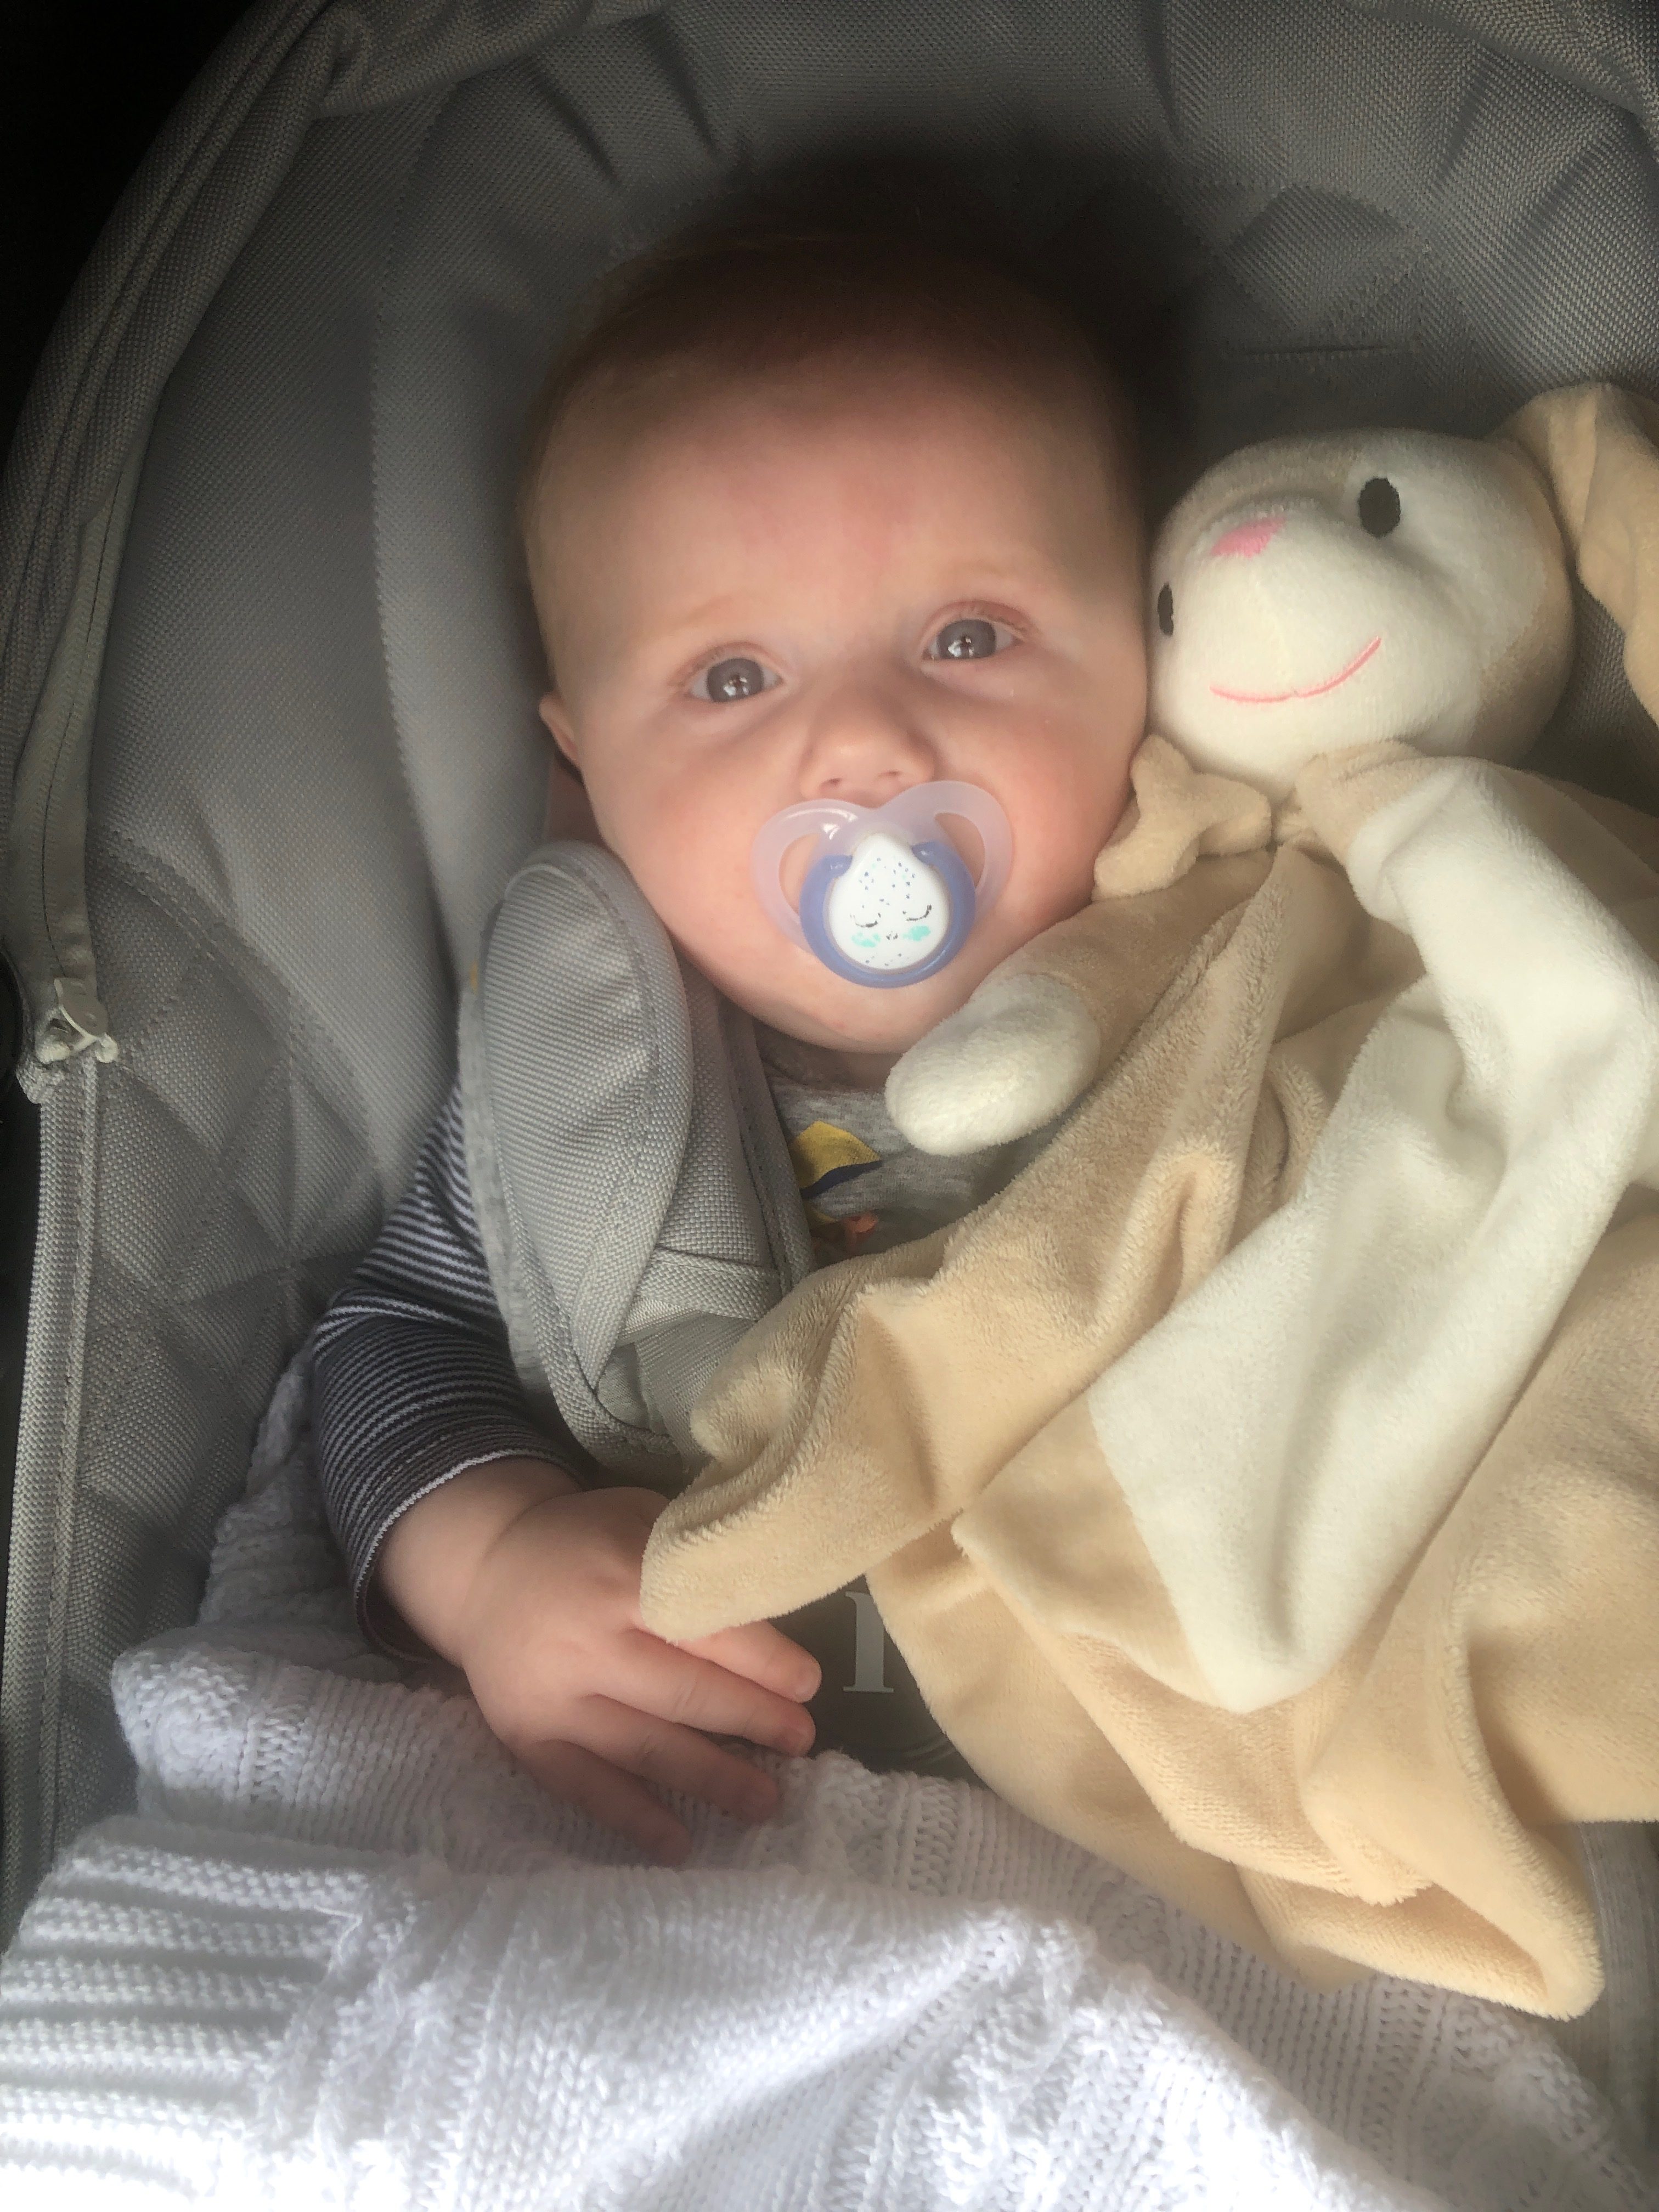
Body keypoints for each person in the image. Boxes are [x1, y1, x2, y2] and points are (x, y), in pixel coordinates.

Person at [314, 202, 1152, 1865]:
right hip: (758, 1802)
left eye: (968, 638)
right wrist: (495, 1565)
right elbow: (388, 1342)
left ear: (1148, 653)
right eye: (732, 679)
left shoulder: (1229, 997)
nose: (862, 748)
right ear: (587, 761)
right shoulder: (590, 1077)